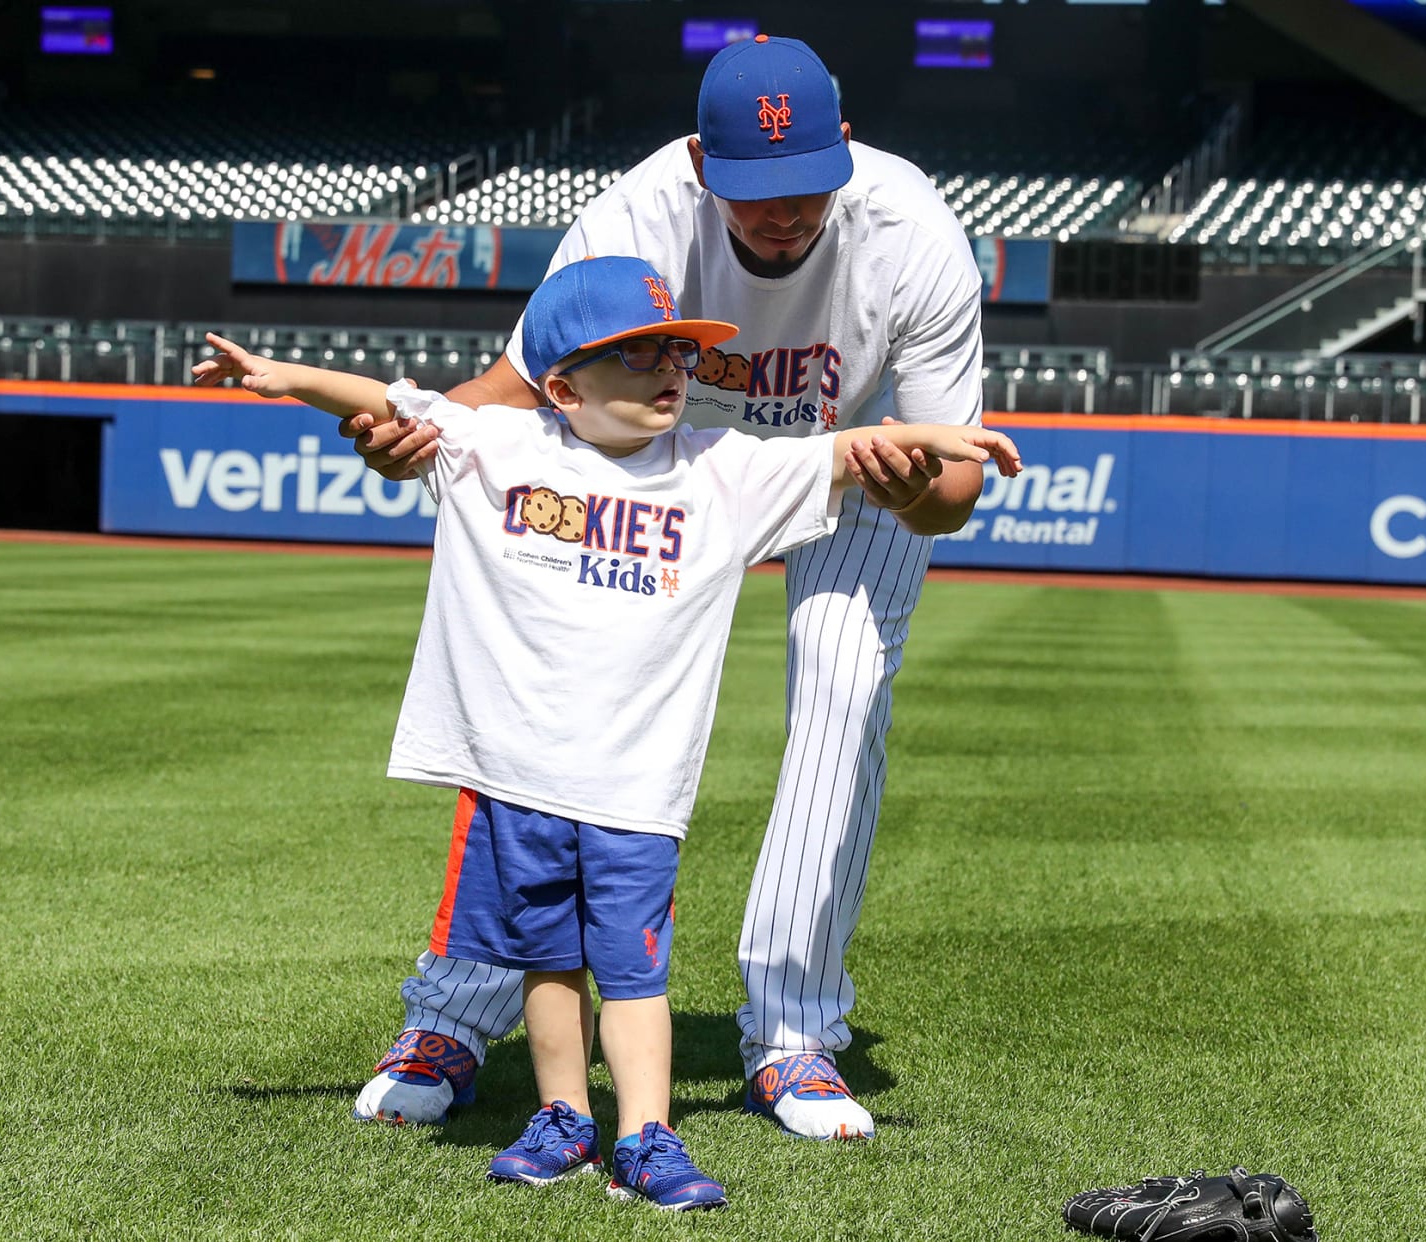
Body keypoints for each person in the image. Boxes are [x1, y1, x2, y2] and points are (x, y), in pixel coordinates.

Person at [192, 256, 1017, 1209]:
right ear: (562, 386)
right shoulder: (496, 447)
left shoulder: (721, 469)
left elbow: (843, 449)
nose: (669, 367)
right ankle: (562, 1116)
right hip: (521, 780)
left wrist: (937, 438)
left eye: (676, 349)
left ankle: (647, 1134)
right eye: (635, 355)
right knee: (548, 963)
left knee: (632, 972)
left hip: (635, 792)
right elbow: (390, 396)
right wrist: (283, 378)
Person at [343, 34, 990, 1142]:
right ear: (700, 162)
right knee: (546, 701)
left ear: (847, 144)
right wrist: (413, 433)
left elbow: (958, 486)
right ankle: (456, 1012)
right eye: (752, 194)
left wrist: (912, 480)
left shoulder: (914, 230)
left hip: (851, 463)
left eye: (806, 189)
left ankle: (794, 1038)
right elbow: (519, 386)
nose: (782, 214)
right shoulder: (639, 212)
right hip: (656, 450)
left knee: (842, 686)